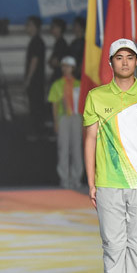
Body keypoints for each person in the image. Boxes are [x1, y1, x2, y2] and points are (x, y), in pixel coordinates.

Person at [83, 39, 137, 273]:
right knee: (113, 246)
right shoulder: (97, 96)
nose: (124, 62)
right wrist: (91, 181)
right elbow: (90, 139)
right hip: (108, 181)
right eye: (119, 57)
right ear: (110, 63)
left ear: (136, 62)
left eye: (129, 57)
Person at [48, 56, 83, 190]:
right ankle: (64, 178)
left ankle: (76, 178)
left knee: (76, 148)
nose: (65, 68)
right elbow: (55, 104)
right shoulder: (57, 84)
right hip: (64, 117)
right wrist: (56, 121)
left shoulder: (79, 84)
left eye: (68, 66)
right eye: (63, 66)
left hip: (76, 117)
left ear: (73, 68)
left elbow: (84, 103)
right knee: (63, 148)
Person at [23, 15, 47, 137]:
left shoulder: (36, 42)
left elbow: (34, 61)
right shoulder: (36, 41)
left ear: (36, 27)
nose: (27, 27)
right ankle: (38, 130)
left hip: (35, 80)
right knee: (36, 104)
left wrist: (28, 79)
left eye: (30, 25)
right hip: (37, 79)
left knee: (35, 105)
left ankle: (37, 131)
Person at [47, 17, 68, 83]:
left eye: (53, 27)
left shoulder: (61, 43)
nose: (51, 29)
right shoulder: (59, 43)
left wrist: (52, 62)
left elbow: (54, 62)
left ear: (59, 29)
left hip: (60, 76)